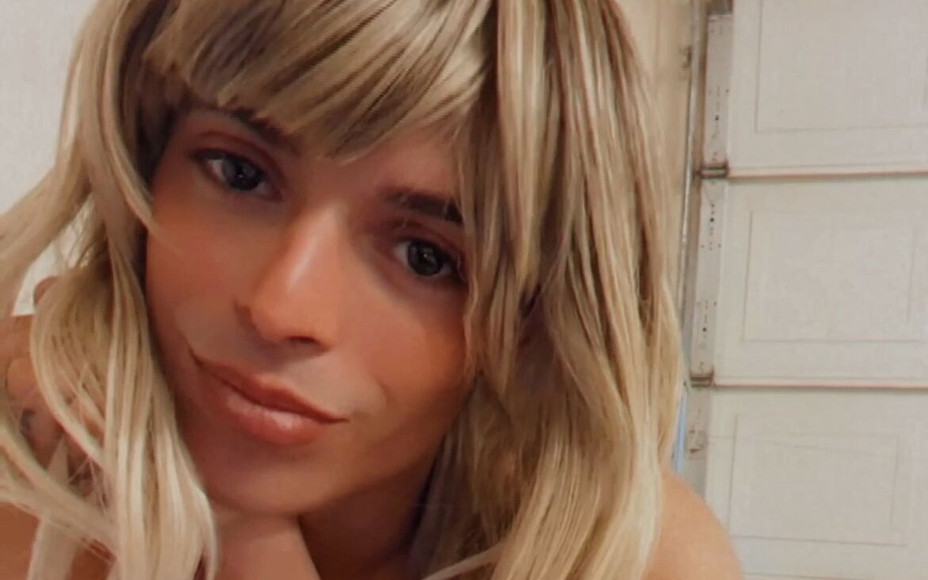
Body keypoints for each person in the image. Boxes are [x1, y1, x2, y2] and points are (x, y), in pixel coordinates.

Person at [0, 0, 742, 579]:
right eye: (240, 174)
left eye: (424, 257)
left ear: (532, 324)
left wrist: (243, 541)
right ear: (144, 160)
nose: (281, 308)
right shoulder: (29, 519)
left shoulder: (635, 560)